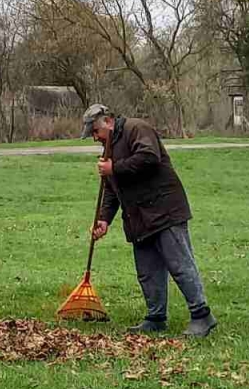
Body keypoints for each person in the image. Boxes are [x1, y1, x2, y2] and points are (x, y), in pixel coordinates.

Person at [82, 103, 217, 338]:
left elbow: (148, 158)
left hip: (164, 210)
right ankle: (156, 318)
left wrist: (115, 167)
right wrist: (104, 219)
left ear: (108, 122)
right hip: (139, 218)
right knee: (148, 271)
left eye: (95, 131)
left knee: (180, 265)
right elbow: (113, 188)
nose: (95, 138)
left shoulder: (136, 129)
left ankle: (201, 315)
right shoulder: (109, 148)